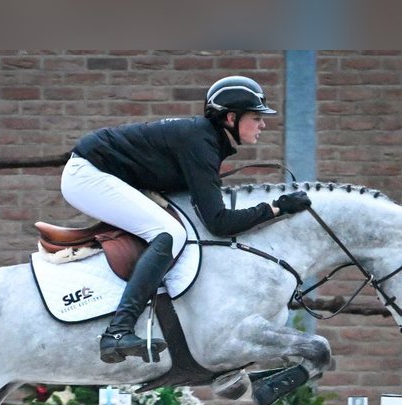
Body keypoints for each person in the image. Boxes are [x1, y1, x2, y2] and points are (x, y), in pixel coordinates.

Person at [61, 75, 312, 364]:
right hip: (88, 175)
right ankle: (118, 331)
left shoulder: (206, 139)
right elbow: (219, 223)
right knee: (169, 233)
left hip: (101, 172)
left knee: (175, 229)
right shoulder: (201, 142)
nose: (263, 125)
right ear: (231, 117)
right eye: (256, 117)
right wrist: (277, 208)